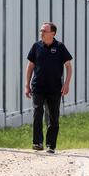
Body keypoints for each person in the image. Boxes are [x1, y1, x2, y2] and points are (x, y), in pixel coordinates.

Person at [25, 22, 73, 154]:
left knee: (53, 116)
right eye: (41, 30)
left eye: (44, 31)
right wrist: (27, 85)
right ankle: (37, 143)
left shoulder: (60, 47)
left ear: (53, 33)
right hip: (38, 87)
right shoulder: (36, 46)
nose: (41, 32)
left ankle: (51, 145)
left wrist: (67, 84)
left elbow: (68, 66)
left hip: (55, 88)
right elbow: (30, 66)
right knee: (37, 113)